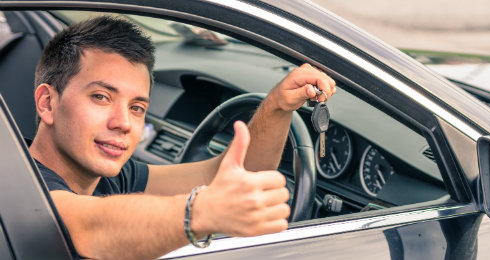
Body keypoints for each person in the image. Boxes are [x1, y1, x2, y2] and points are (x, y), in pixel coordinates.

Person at [28, 16, 335, 260]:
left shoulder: (111, 177)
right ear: (47, 103)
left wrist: (279, 105)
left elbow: (227, 177)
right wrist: (200, 212)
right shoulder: (19, 187)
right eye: (100, 97)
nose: (123, 123)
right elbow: (89, 226)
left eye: (136, 108)